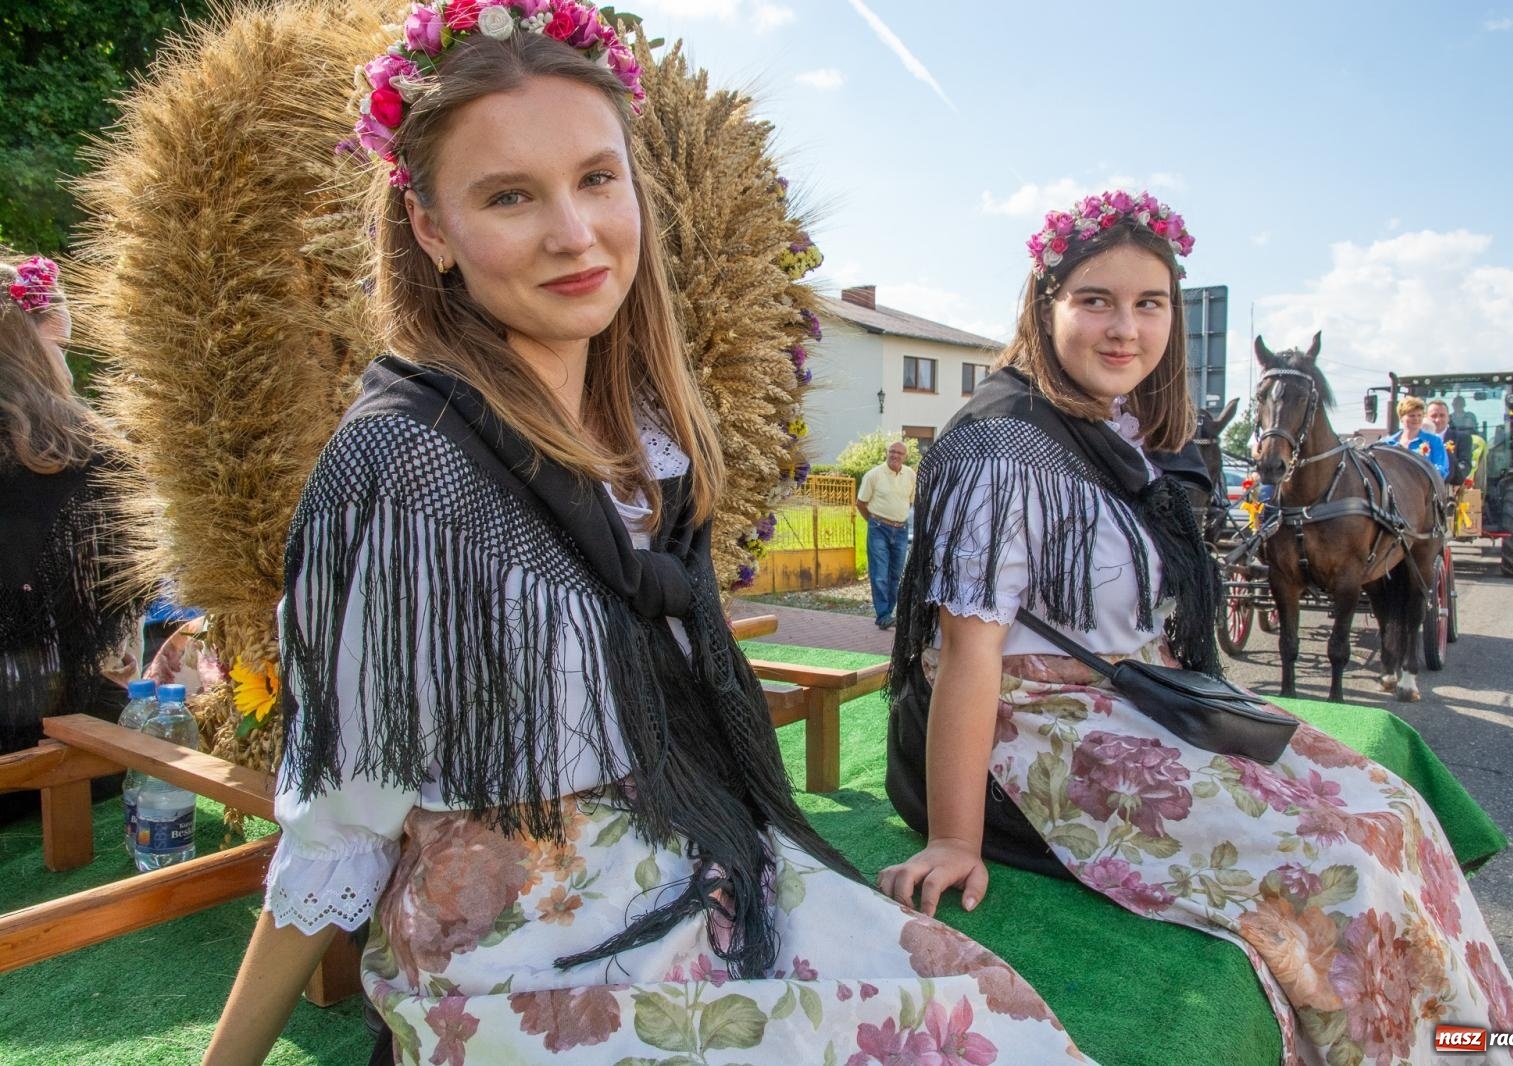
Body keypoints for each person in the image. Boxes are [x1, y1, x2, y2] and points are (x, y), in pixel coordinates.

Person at [204, 7, 1083, 1063]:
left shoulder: (648, 439)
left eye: (595, 178)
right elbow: (339, 821)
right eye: (508, 195)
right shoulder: (405, 474)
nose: (575, 233)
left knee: (992, 1018)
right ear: (431, 229)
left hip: (687, 857)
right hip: (522, 942)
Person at [880, 190, 1513, 1064]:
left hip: (1133, 697)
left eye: (1149, 304)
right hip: (1030, 733)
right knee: (1345, 873)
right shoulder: (1001, 444)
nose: (1126, 329)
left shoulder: (1122, 430)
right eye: (1096, 301)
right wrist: (955, 840)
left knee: (1395, 813)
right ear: (1046, 304)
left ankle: (1476, 1044)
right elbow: (967, 655)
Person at [1, 255, 142, 821]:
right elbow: (119, 642)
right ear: (28, 353)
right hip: (73, 764)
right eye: (59, 348)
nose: (67, 367)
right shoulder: (87, 453)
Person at [856, 440, 916, 629]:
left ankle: (889, 614)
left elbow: (911, 501)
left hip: (901, 529)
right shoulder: (874, 475)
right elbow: (861, 503)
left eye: (899, 453)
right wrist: (874, 522)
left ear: (905, 456)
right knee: (880, 573)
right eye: (892, 451)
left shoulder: (910, 475)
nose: (895, 455)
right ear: (886, 453)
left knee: (896, 574)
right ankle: (883, 614)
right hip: (879, 528)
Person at [1381, 395, 1451, 479]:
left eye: (1419, 415)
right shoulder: (1388, 443)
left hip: (1423, 489)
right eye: (1412, 416)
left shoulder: (1434, 441)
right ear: (1401, 418)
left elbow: (1441, 469)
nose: (1416, 419)